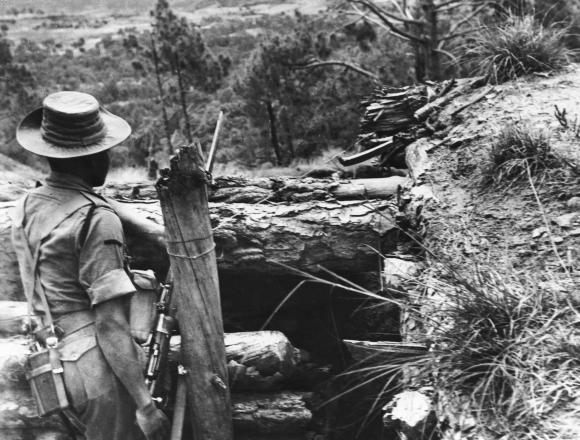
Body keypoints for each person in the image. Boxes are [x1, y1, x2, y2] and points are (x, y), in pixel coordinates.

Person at [11, 91, 170, 440]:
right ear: (92, 157)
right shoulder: (96, 220)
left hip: (50, 363)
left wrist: (148, 228)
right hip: (96, 372)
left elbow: (80, 198)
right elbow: (111, 325)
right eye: (105, 150)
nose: (108, 159)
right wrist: (144, 405)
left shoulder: (25, 207)